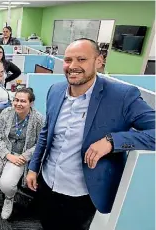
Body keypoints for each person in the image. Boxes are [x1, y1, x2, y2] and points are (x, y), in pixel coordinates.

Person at [26, 38, 155, 230]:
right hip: (48, 183)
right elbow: (46, 132)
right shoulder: (55, 90)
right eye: (68, 60)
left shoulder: (121, 96)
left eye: (81, 59)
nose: (73, 66)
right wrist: (33, 167)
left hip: (84, 194)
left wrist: (113, 141)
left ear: (99, 61)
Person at [0, 88, 44, 220]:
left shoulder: (38, 119)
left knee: (6, 185)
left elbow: (41, 143)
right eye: (16, 100)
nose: (18, 103)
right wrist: (7, 155)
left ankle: (9, 199)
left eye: (23, 101)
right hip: (0, 152)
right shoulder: (6, 113)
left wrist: (25, 156)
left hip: (21, 156)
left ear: (31, 103)